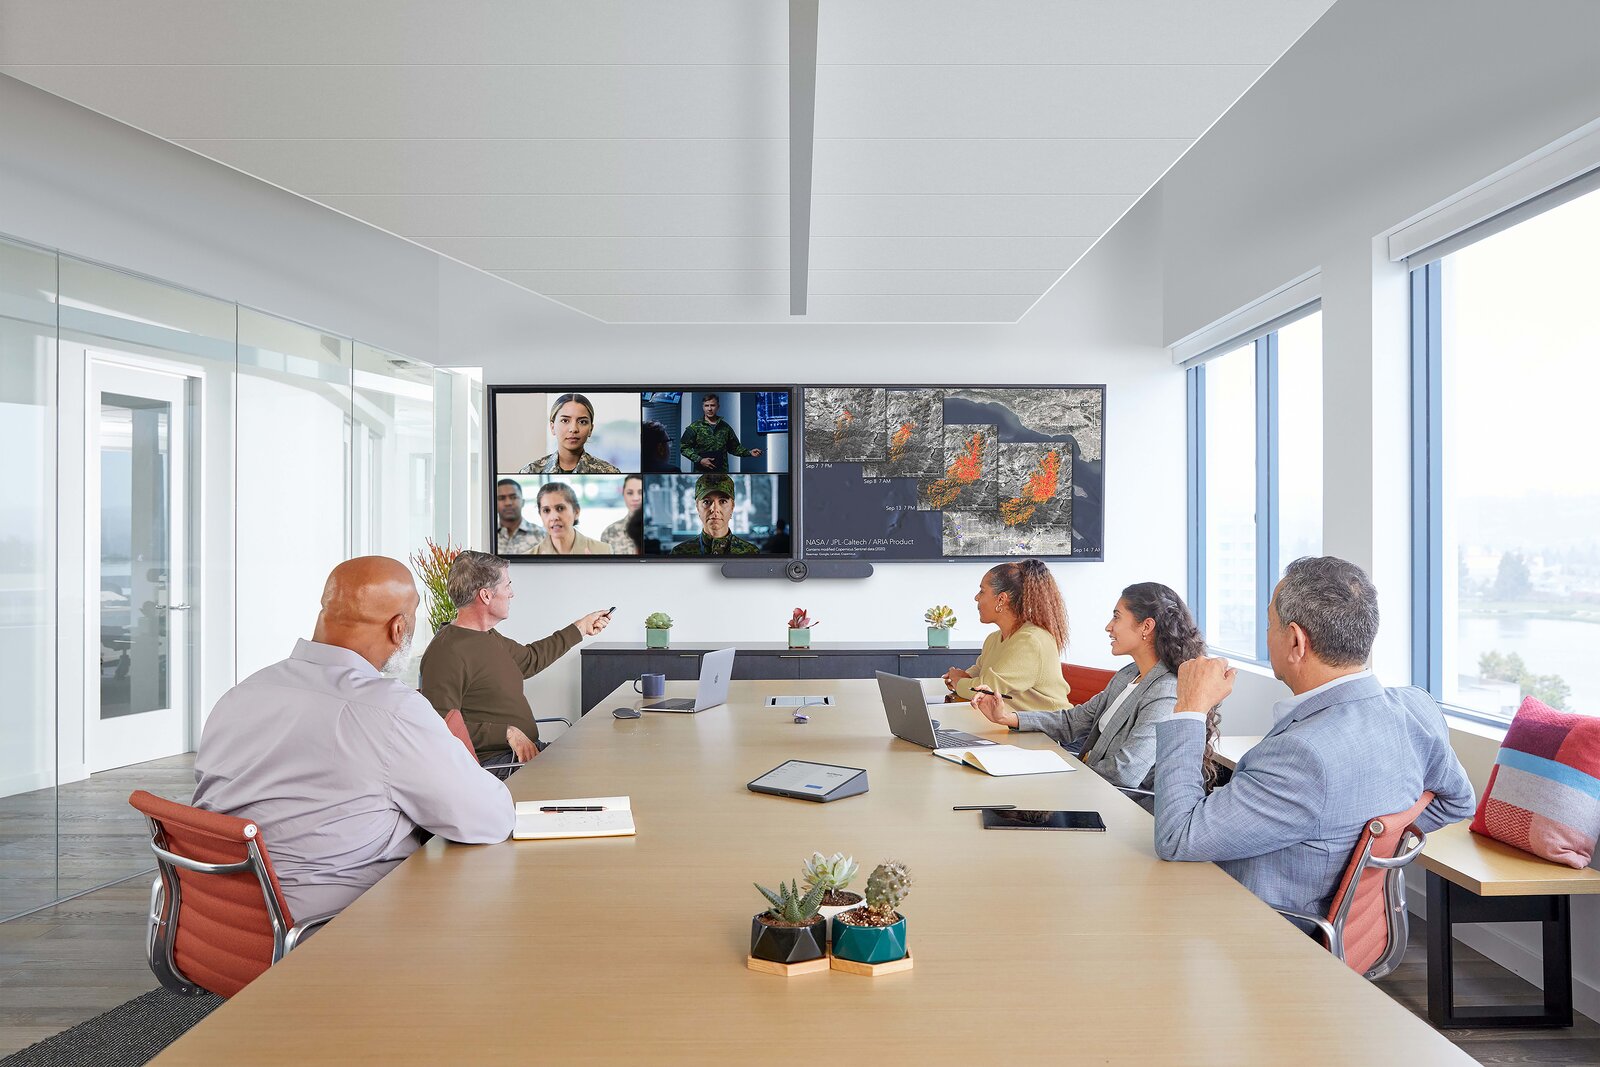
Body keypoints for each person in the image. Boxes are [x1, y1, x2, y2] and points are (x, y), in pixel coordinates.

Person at [191, 557, 514, 920]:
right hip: (333, 931)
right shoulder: (391, 710)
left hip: (215, 920)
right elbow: (490, 819)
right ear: (398, 628)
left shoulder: (241, 695)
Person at [1155, 556, 1475, 921]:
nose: (1266, 635)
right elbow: (1458, 802)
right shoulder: (1416, 707)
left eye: (1269, 624)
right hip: (1340, 926)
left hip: (1256, 928)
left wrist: (1191, 707)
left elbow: (1177, 837)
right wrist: (1365, 851)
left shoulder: (1303, 756)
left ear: (1296, 641)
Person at [972, 582, 1206, 805]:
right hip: (1090, 786)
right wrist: (1006, 717)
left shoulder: (1165, 691)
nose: (1109, 626)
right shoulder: (1129, 674)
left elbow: (1125, 773)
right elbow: (1074, 720)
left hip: (1122, 806)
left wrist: (1057, 773)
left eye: (1117, 617)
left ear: (1146, 626)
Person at [419, 551, 611, 768]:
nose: (512, 594)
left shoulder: (487, 636)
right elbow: (438, 727)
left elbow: (530, 659)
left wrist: (581, 627)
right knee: (591, 769)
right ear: (486, 596)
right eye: (507, 585)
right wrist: (506, 733)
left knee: (599, 756)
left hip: (522, 754)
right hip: (495, 764)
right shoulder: (447, 652)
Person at [941, 559, 1071, 713]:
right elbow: (978, 673)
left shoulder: (1030, 641)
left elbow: (987, 689)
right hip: (1014, 723)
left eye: (982, 591)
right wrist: (959, 679)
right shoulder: (994, 639)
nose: (976, 597)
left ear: (1001, 599)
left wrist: (958, 682)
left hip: (1048, 726)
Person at [518, 393, 621, 475]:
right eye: (565, 421)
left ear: (591, 429)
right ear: (552, 427)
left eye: (582, 422)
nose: (573, 429)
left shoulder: (609, 472)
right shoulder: (531, 471)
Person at [670, 473, 760, 555]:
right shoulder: (679, 553)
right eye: (706, 502)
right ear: (697, 506)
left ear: (732, 506)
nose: (714, 509)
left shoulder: (751, 553)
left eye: (723, 501)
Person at [679, 393, 761, 472]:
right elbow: (683, 447)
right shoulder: (694, 427)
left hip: (722, 472)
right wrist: (700, 460)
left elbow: (735, 448)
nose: (709, 409)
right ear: (703, 407)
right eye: (706, 405)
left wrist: (749, 452)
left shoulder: (725, 427)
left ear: (718, 407)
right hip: (701, 472)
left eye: (712, 405)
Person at [532, 481, 613, 555]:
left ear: (576, 512)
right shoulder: (530, 556)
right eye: (546, 510)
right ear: (540, 515)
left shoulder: (603, 551)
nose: (554, 517)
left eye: (560, 508)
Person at [495, 478, 547, 554]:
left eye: (513, 497)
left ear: (523, 502)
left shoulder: (542, 535)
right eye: (501, 498)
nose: (508, 503)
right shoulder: (488, 536)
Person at [600, 474, 643, 554]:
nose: (635, 498)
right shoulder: (610, 532)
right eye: (630, 493)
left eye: (641, 493)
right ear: (623, 494)